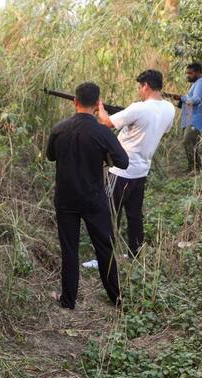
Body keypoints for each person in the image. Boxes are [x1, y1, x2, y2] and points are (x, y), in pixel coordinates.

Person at [46, 82, 129, 310]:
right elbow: (123, 161)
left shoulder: (59, 128)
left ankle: (68, 300)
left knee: (69, 250)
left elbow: (50, 156)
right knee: (104, 248)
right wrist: (104, 158)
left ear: (75, 101)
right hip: (94, 199)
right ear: (97, 104)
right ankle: (116, 298)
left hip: (65, 199)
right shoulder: (102, 132)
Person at [98, 70, 176, 257]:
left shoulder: (138, 108)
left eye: (140, 87)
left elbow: (106, 123)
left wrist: (100, 107)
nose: (140, 91)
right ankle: (135, 254)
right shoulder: (170, 109)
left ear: (146, 86)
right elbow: (163, 130)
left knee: (108, 214)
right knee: (134, 216)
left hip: (120, 171)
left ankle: (106, 257)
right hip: (141, 171)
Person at [168, 62, 202, 173]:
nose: (188, 76)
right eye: (187, 73)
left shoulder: (201, 82)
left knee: (188, 141)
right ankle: (195, 168)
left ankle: (195, 169)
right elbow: (189, 100)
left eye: (190, 73)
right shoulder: (196, 83)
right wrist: (177, 99)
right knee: (191, 144)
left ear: (198, 72)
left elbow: (196, 100)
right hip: (190, 119)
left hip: (195, 119)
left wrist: (181, 98)